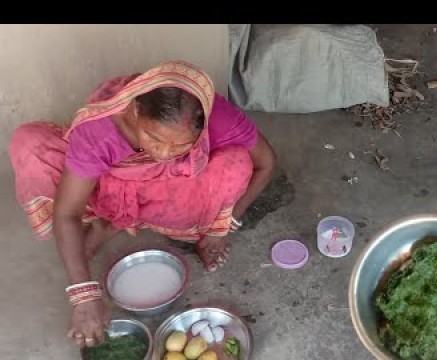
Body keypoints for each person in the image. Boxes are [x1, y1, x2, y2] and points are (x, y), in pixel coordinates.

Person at [8, 60, 276, 348]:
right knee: (31, 144)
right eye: (153, 137)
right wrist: (84, 296)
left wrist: (222, 227)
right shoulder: (104, 127)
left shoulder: (217, 115)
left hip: (169, 191)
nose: (162, 152)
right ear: (135, 111)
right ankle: (109, 220)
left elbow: (266, 163)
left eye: (181, 146)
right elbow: (68, 211)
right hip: (106, 188)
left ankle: (120, 223)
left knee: (235, 163)